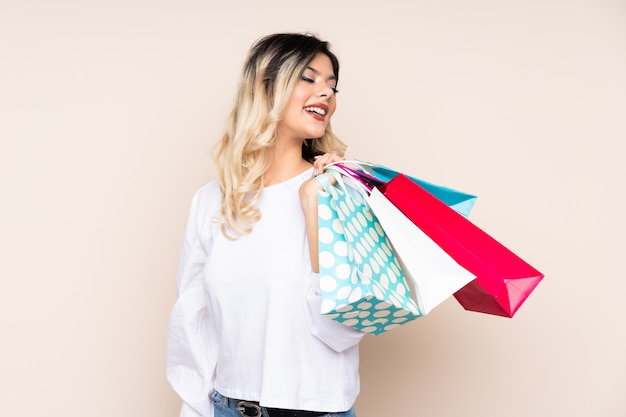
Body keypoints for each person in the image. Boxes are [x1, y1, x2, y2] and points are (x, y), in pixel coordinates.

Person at [166, 33, 365, 417]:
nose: (325, 93)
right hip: (226, 408)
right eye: (308, 78)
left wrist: (313, 206)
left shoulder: (340, 192)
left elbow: (344, 329)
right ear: (265, 88)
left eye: (332, 85)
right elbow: (193, 320)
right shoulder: (212, 200)